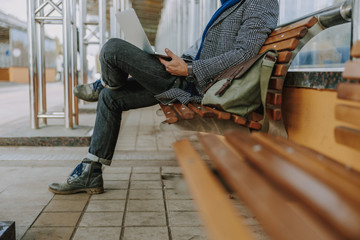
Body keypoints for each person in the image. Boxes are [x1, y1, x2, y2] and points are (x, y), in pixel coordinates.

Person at [49, 0, 279, 194]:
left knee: (112, 49)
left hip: (199, 86)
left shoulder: (260, 1)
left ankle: (105, 82)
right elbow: (204, 49)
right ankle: (91, 171)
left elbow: (245, 53)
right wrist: (178, 61)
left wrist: (190, 70)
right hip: (190, 77)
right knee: (111, 98)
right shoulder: (232, 3)